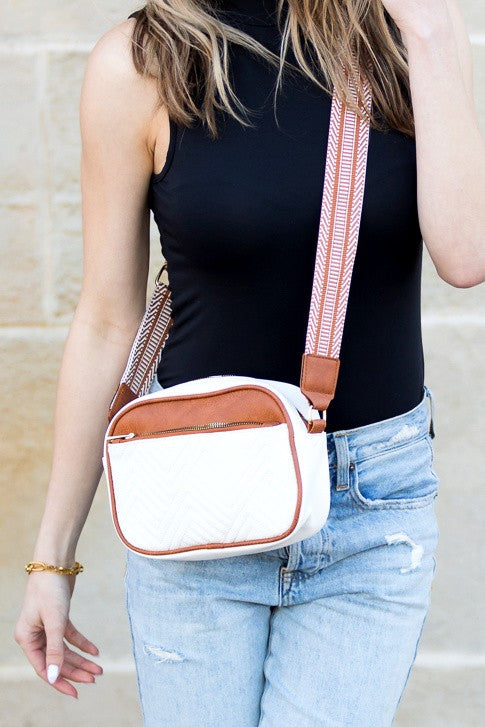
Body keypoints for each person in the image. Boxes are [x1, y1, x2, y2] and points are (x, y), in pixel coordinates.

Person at [13, 1, 485, 725]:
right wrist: (52, 558)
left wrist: (434, 29)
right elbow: (107, 319)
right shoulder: (143, 62)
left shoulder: (398, 37)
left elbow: (466, 255)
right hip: (196, 499)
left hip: (369, 511)